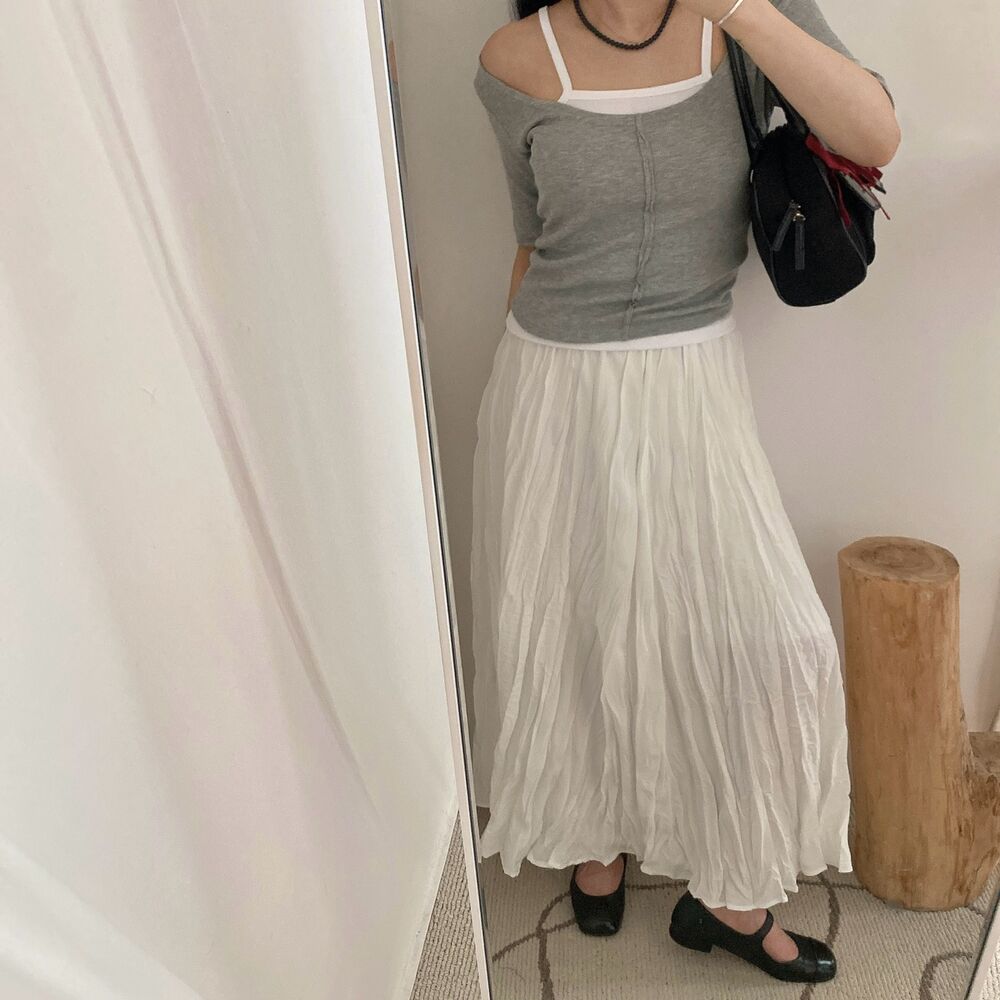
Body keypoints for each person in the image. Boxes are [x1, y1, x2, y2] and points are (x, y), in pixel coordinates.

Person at [469, 0, 899, 984]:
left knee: (773, 638)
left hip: (692, 375)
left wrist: (739, 8)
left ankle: (728, 897)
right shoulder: (510, 58)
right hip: (553, 379)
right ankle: (593, 834)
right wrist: (520, 422)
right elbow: (531, 236)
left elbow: (873, 136)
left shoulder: (743, 23)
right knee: (580, 627)